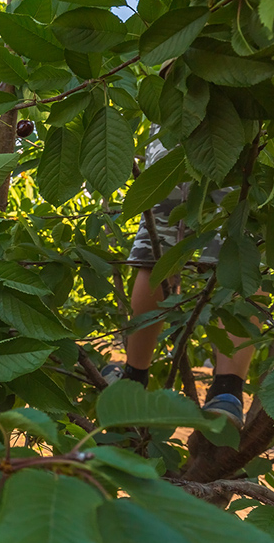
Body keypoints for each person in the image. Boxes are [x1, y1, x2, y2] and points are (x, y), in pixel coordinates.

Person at [105, 126, 250, 427]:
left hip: (178, 125)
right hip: (242, 129)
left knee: (159, 253)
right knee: (242, 246)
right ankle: (228, 392)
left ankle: (134, 378)